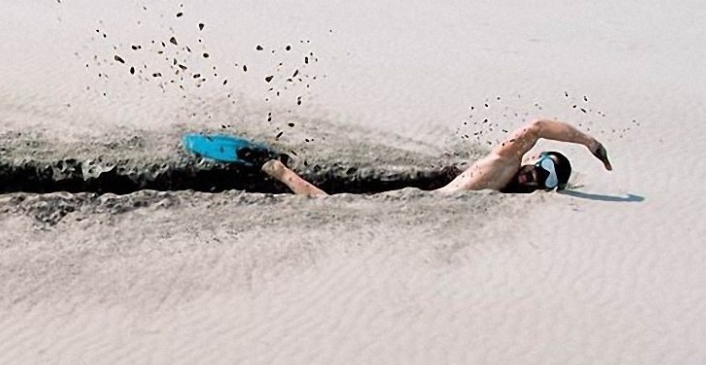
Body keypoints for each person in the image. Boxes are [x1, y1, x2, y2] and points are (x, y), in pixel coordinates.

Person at [260, 117, 612, 197]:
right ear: (533, 159)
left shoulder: (512, 190)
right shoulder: (505, 164)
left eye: (542, 184)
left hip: (420, 193)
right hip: (417, 194)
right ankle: (279, 172)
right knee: (329, 204)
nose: (532, 179)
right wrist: (589, 142)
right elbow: (535, 126)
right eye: (538, 171)